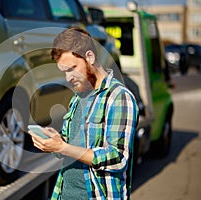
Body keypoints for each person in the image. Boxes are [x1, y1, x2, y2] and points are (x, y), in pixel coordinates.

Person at [29, 27, 139, 200]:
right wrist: (55, 142)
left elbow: (117, 158)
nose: (68, 78)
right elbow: (70, 149)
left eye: (72, 69)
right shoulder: (78, 97)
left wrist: (63, 147)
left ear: (90, 57)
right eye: (64, 72)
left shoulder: (119, 97)